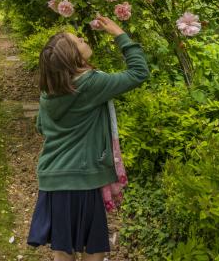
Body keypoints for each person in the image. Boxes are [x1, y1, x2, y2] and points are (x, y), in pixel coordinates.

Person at [26, 14, 150, 261]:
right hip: (82, 180)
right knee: (95, 247)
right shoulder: (91, 84)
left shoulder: (49, 91)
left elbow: (42, 127)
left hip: (52, 179)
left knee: (63, 246)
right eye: (78, 40)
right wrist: (119, 34)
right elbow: (139, 72)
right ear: (74, 56)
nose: (83, 39)